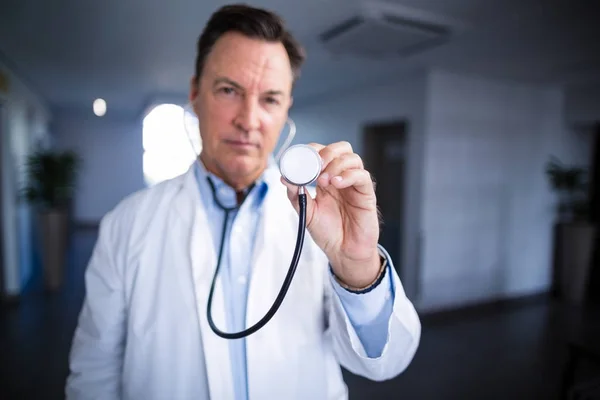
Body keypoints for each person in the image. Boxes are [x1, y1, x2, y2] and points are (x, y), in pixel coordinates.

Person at [65, 4, 421, 400]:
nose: (249, 119)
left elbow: (386, 362)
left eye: (270, 99)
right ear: (195, 92)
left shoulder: (323, 220)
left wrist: (357, 266)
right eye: (229, 90)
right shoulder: (126, 225)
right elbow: (93, 372)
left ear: (286, 107)